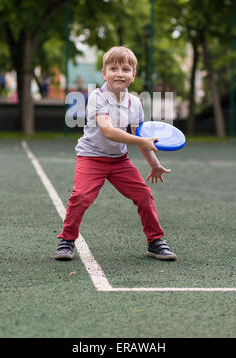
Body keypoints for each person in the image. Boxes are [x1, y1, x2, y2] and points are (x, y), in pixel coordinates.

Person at [54, 46, 176, 261]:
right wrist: (141, 140)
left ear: (133, 75)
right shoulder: (96, 97)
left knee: (144, 195)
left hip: (119, 161)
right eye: (113, 68)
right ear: (104, 73)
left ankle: (155, 242)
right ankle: (67, 240)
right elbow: (108, 131)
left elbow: (140, 138)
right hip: (91, 157)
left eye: (126, 69)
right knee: (81, 197)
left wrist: (154, 164)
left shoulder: (136, 103)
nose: (119, 73)